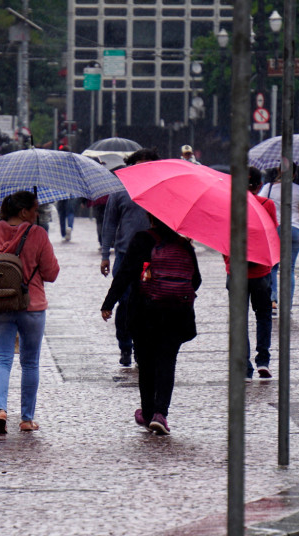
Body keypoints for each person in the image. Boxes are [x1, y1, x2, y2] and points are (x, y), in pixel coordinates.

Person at [101, 213, 201, 435]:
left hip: (144, 312)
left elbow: (125, 274)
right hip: (176, 314)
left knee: (145, 363)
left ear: (149, 217)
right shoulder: (184, 244)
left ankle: (147, 413)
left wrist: (108, 303)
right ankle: (160, 413)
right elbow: (196, 281)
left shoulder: (141, 239)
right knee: (167, 361)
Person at [0, 191, 60, 434]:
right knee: (30, 363)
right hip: (32, 305)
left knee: (1, 360)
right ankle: (26, 419)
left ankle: (0, 410)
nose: (37, 213)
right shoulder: (38, 233)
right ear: (24, 212)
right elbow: (51, 273)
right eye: (34, 209)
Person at [100, 147, 161, 367]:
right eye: (138, 164)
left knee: (148, 302)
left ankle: (141, 346)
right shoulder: (119, 189)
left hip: (153, 257)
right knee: (124, 301)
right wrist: (105, 255)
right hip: (125, 256)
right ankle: (125, 345)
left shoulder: (160, 188)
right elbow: (110, 223)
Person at [224, 167, 278, 380]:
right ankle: (263, 360)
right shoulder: (267, 204)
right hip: (261, 271)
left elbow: (222, 237)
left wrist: (227, 261)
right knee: (263, 316)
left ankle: (244, 367)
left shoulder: (230, 205)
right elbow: (272, 234)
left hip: (236, 271)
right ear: (259, 185)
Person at [265, 167, 299, 312]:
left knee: (272, 266)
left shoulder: (268, 188)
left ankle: (272, 300)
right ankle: (287, 305)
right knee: (289, 269)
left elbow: (259, 205)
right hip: (295, 231)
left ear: (278, 171)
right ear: (294, 174)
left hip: (276, 229)